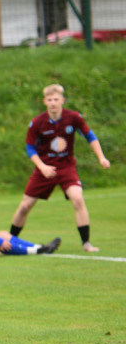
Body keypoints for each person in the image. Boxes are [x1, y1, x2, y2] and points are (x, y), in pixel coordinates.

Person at [9, 84, 111, 252]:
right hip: (44, 169)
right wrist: (42, 167)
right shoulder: (37, 123)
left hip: (66, 168)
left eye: (56, 99)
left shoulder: (73, 118)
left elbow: (90, 136)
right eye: (49, 100)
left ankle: (86, 243)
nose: (53, 103)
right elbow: (30, 149)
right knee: (25, 206)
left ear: (62, 100)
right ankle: (11, 241)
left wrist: (101, 158)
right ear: (45, 102)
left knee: (78, 199)